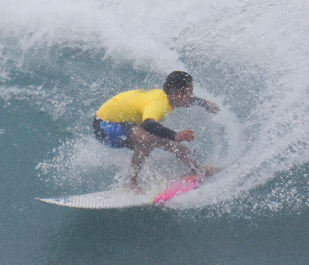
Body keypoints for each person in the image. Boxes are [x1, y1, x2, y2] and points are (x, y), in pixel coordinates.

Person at [92, 70, 220, 190]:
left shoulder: (169, 98)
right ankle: (130, 181)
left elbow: (188, 100)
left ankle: (197, 169)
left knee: (175, 145)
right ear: (175, 93)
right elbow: (149, 125)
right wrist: (175, 135)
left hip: (125, 122)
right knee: (146, 139)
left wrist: (205, 103)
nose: (191, 96)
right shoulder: (158, 105)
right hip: (104, 127)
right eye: (188, 92)